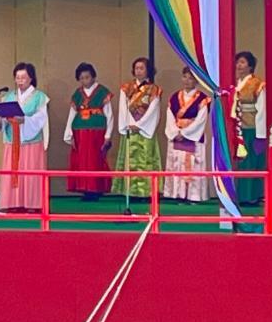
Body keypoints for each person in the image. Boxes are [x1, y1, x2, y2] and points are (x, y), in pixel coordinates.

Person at [0, 62, 50, 214]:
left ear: (31, 78)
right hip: (13, 139)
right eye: (17, 77)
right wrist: (0, 120)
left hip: (31, 141)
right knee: (13, 170)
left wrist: (26, 120)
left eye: (24, 77)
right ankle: (13, 202)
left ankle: (33, 203)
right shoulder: (9, 96)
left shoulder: (39, 97)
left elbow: (41, 118)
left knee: (30, 171)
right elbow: (5, 117)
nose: (20, 80)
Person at [115, 57, 163, 208]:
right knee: (130, 160)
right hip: (130, 127)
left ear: (148, 70)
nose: (139, 71)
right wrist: (128, 123)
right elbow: (123, 107)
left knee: (145, 160)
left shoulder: (154, 89)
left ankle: (145, 192)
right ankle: (129, 191)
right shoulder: (126, 87)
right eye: (136, 68)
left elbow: (154, 109)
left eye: (142, 68)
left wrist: (140, 124)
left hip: (144, 130)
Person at [62, 62, 113, 200]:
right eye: (82, 78)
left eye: (87, 77)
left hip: (97, 131)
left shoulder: (102, 92)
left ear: (93, 77)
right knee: (82, 161)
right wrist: (69, 134)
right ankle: (84, 188)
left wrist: (108, 135)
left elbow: (109, 115)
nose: (85, 80)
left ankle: (96, 189)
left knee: (95, 160)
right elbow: (72, 114)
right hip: (80, 131)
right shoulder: (77, 94)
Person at [163, 67, 211, 202]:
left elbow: (201, 119)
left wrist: (185, 133)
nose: (187, 80)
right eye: (185, 77)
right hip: (176, 134)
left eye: (191, 78)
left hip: (192, 136)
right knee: (177, 162)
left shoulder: (203, 99)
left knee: (192, 164)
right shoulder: (174, 97)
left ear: (196, 80)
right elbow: (170, 116)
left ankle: (193, 195)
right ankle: (176, 193)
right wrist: (176, 132)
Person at [230, 51, 268, 207]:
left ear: (250, 66)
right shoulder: (237, 83)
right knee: (241, 161)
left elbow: (261, 109)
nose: (239, 65)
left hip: (251, 127)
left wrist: (260, 133)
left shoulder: (257, 84)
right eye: (238, 62)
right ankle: (242, 195)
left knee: (250, 160)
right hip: (238, 126)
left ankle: (251, 196)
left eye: (243, 62)